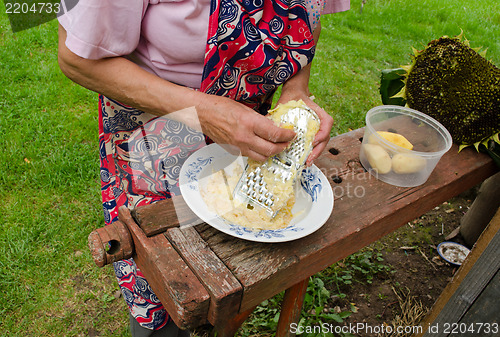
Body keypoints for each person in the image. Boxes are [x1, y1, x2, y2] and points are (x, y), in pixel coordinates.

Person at [57, 0, 350, 335]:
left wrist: (296, 92)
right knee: (170, 292)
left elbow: (304, 19)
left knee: (227, 275)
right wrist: (204, 111)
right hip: (153, 135)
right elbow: (75, 58)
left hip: (246, 141)